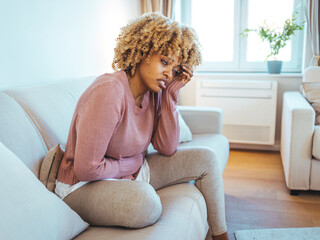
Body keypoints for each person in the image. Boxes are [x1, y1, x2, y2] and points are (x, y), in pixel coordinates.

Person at [55, 12, 229, 240]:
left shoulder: (156, 93)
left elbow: (167, 148)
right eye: (165, 62)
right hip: (82, 187)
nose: (169, 73)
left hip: (130, 174)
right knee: (145, 203)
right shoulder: (109, 91)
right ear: (142, 52)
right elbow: (86, 169)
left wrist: (170, 96)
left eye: (175, 70)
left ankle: (221, 236)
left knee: (206, 159)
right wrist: (132, 163)